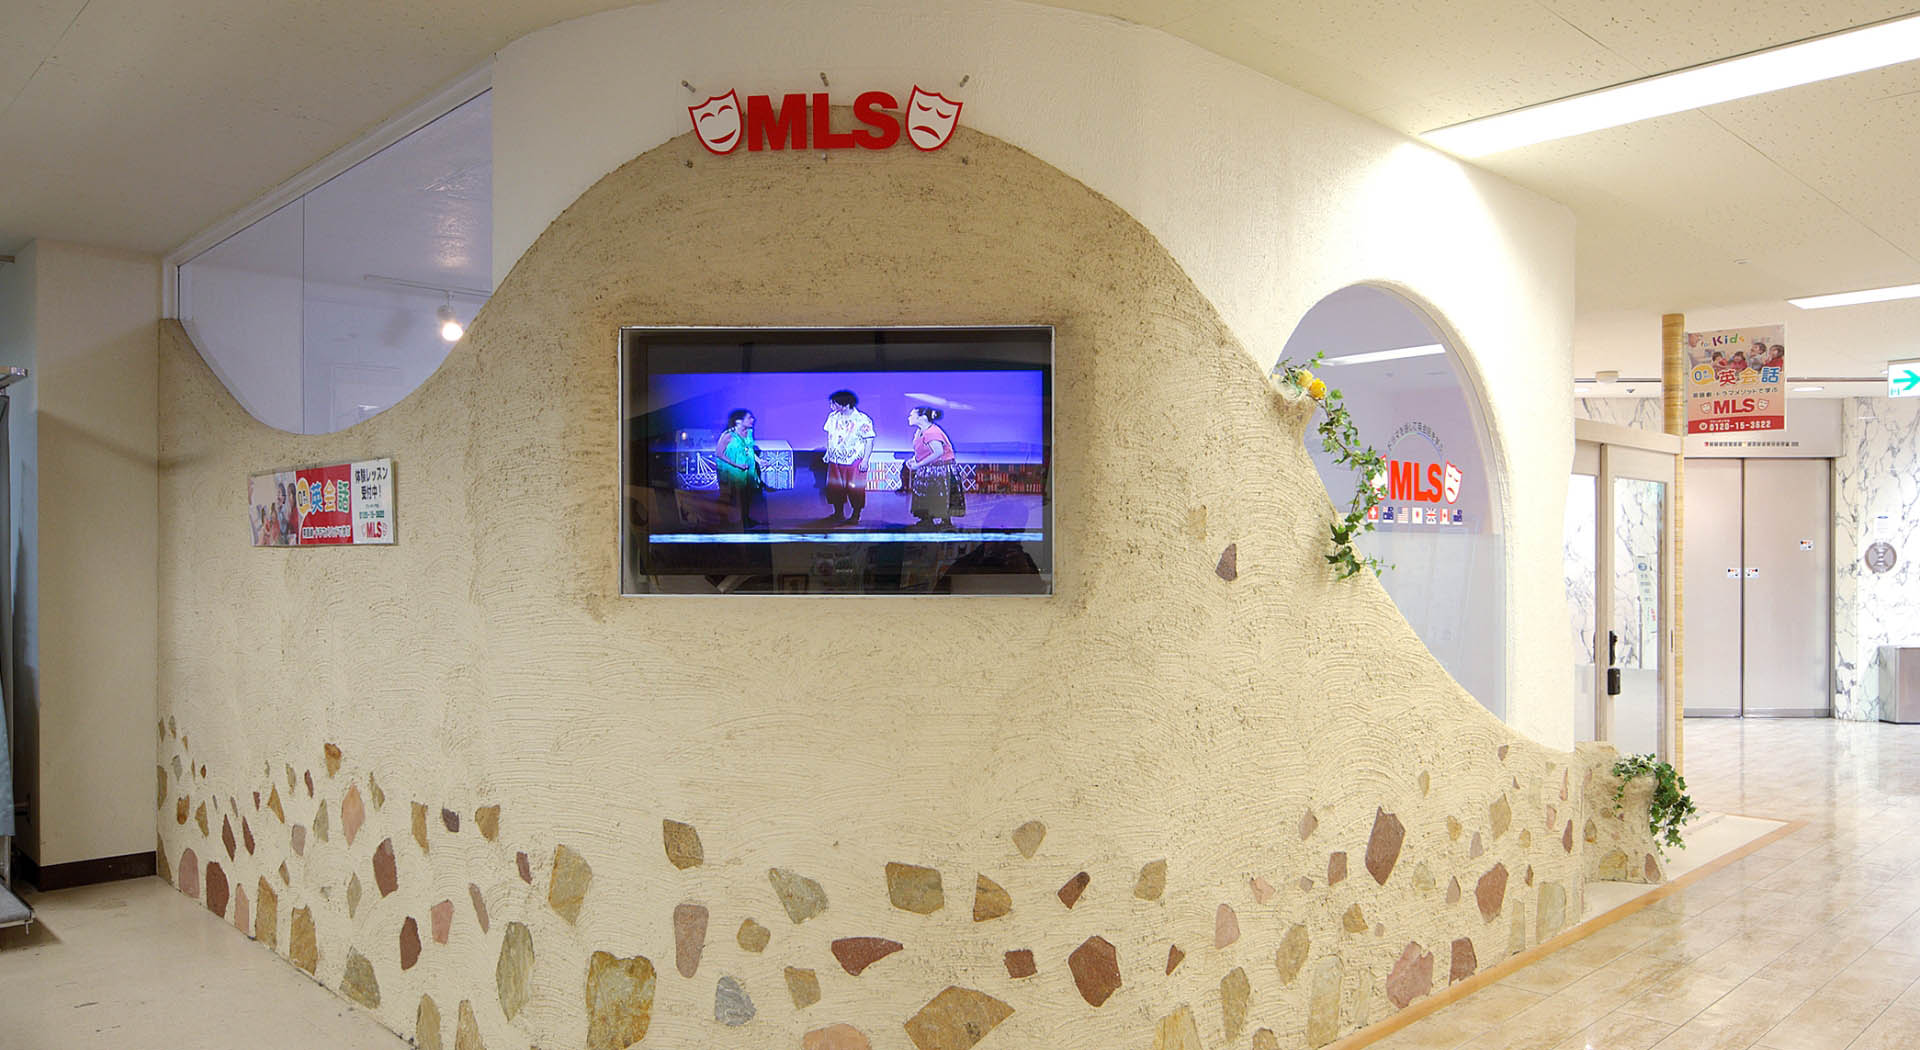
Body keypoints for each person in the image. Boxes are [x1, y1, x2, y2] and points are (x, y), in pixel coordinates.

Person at [905, 405, 966, 528]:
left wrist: (919, 464)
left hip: (940, 469)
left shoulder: (932, 432)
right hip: (929, 468)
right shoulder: (920, 432)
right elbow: (923, 451)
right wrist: (914, 460)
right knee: (928, 495)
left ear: (922, 417)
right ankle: (927, 520)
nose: (909, 417)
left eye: (912, 415)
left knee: (941, 494)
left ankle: (945, 522)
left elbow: (938, 452)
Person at [821, 389, 875, 524]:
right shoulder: (833, 417)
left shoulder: (862, 419)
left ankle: (855, 515)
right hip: (835, 459)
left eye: (834, 404)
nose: (831, 407)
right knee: (835, 488)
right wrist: (828, 452)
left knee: (855, 488)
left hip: (853, 460)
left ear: (844, 404)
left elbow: (869, 440)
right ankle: (838, 513)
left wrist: (865, 460)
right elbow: (830, 436)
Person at [715, 409, 767, 529]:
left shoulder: (749, 432)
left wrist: (759, 461)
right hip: (732, 470)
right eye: (749, 418)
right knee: (730, 497)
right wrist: (736, 465)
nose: (752, 420)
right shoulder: (728, 435)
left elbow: (749, 449)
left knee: (746, 496)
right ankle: (723, 521)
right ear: (738, 421)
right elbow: (719, 453)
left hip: (747, 469)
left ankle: (745, 519)